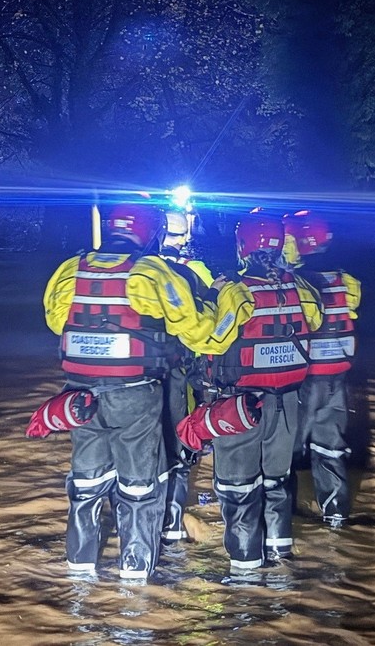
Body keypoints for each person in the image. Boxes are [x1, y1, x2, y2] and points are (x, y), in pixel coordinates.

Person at [42, 196, 251, 581]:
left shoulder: (71, 269)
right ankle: (135, 590)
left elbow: (58, 322)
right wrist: (233, 298)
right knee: (140, 489)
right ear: (151, 232)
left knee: (86, 485)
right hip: (136, 394)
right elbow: (207, 336)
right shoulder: (152, 273)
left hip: (79, 397)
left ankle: (78, 580)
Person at [200, 211, 323, 575]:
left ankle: (246, 574)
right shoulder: (302, 289)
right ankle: (281, 561)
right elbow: (313, 321)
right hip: (286, 402)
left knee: (238, 488)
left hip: (242, 406)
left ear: (243, 247)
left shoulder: (237, 293)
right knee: (277, 481)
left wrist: (213, 294)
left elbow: (214, 338)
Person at [282, 210, 362, 528]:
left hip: (302, 381)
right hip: (337, 380)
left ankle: (283, 525)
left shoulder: (293, 283)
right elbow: (351, 308)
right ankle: (336, 519)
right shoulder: (347, 281)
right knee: (330, 450)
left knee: (283, 453)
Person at [158, 208, 217, 543]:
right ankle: (174, 523)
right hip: (182, 370)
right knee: (182, 445)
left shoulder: (142, 271)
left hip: (142, 373)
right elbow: (212, 315)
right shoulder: (194, 270)